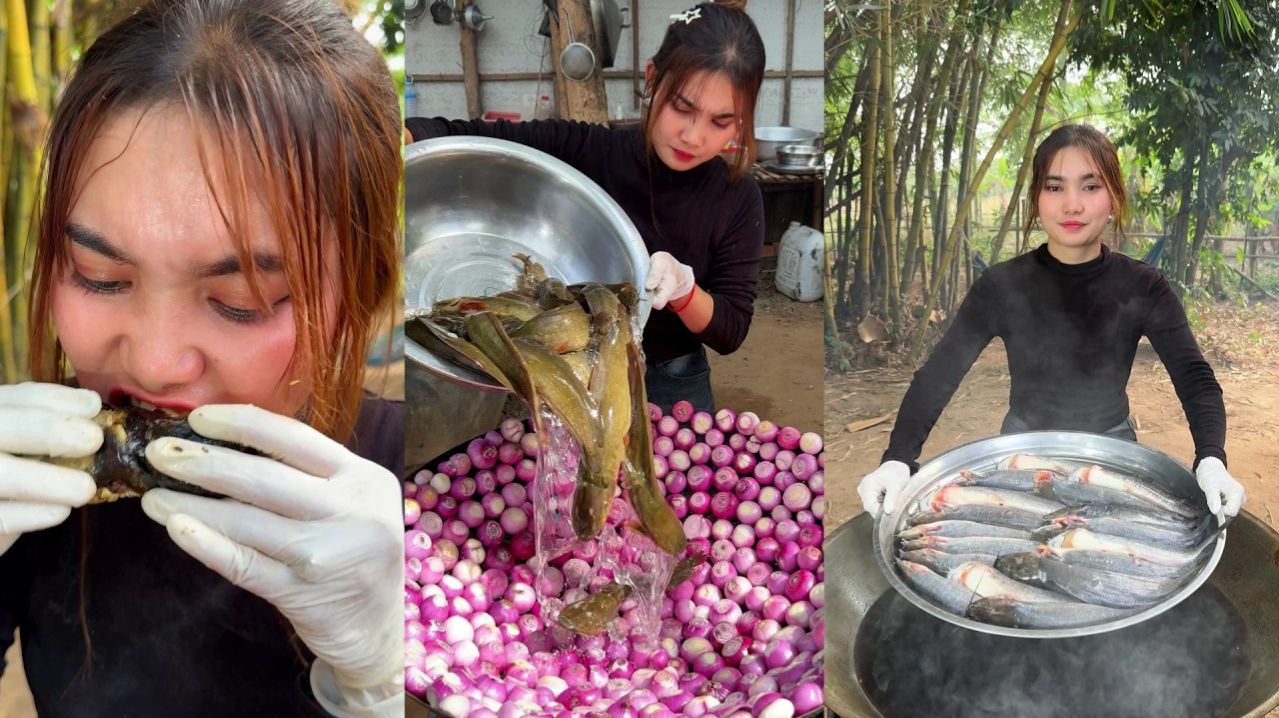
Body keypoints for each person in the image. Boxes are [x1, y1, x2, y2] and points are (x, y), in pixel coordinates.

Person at [0, 1, 404, 716]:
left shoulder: (427, 483)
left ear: (362, 291)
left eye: (242, 299)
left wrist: (387, 684)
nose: (154, 363)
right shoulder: (25, 494)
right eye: (99, 276)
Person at [857, 124, 1245, 519]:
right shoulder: (1001, 285)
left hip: (1113, 449)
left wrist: (1211, 458)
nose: (1071, 204)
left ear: (1113, 196)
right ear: (1036, 199)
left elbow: (1194, 377)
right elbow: (940, 374)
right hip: (1020, 451)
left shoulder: (1143, 286)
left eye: (1090, 187)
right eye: (1055, 187)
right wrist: (897, 458)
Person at [406, 0, 766, 413]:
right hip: (567, 368)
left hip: (671, 378)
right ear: (653, 79)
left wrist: (685, 292)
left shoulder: (738, 198)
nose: (693, 135)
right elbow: (467, 135)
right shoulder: (589, 151)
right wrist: (401, 134)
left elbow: (730, 329)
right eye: (681, 108)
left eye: (721, 121)